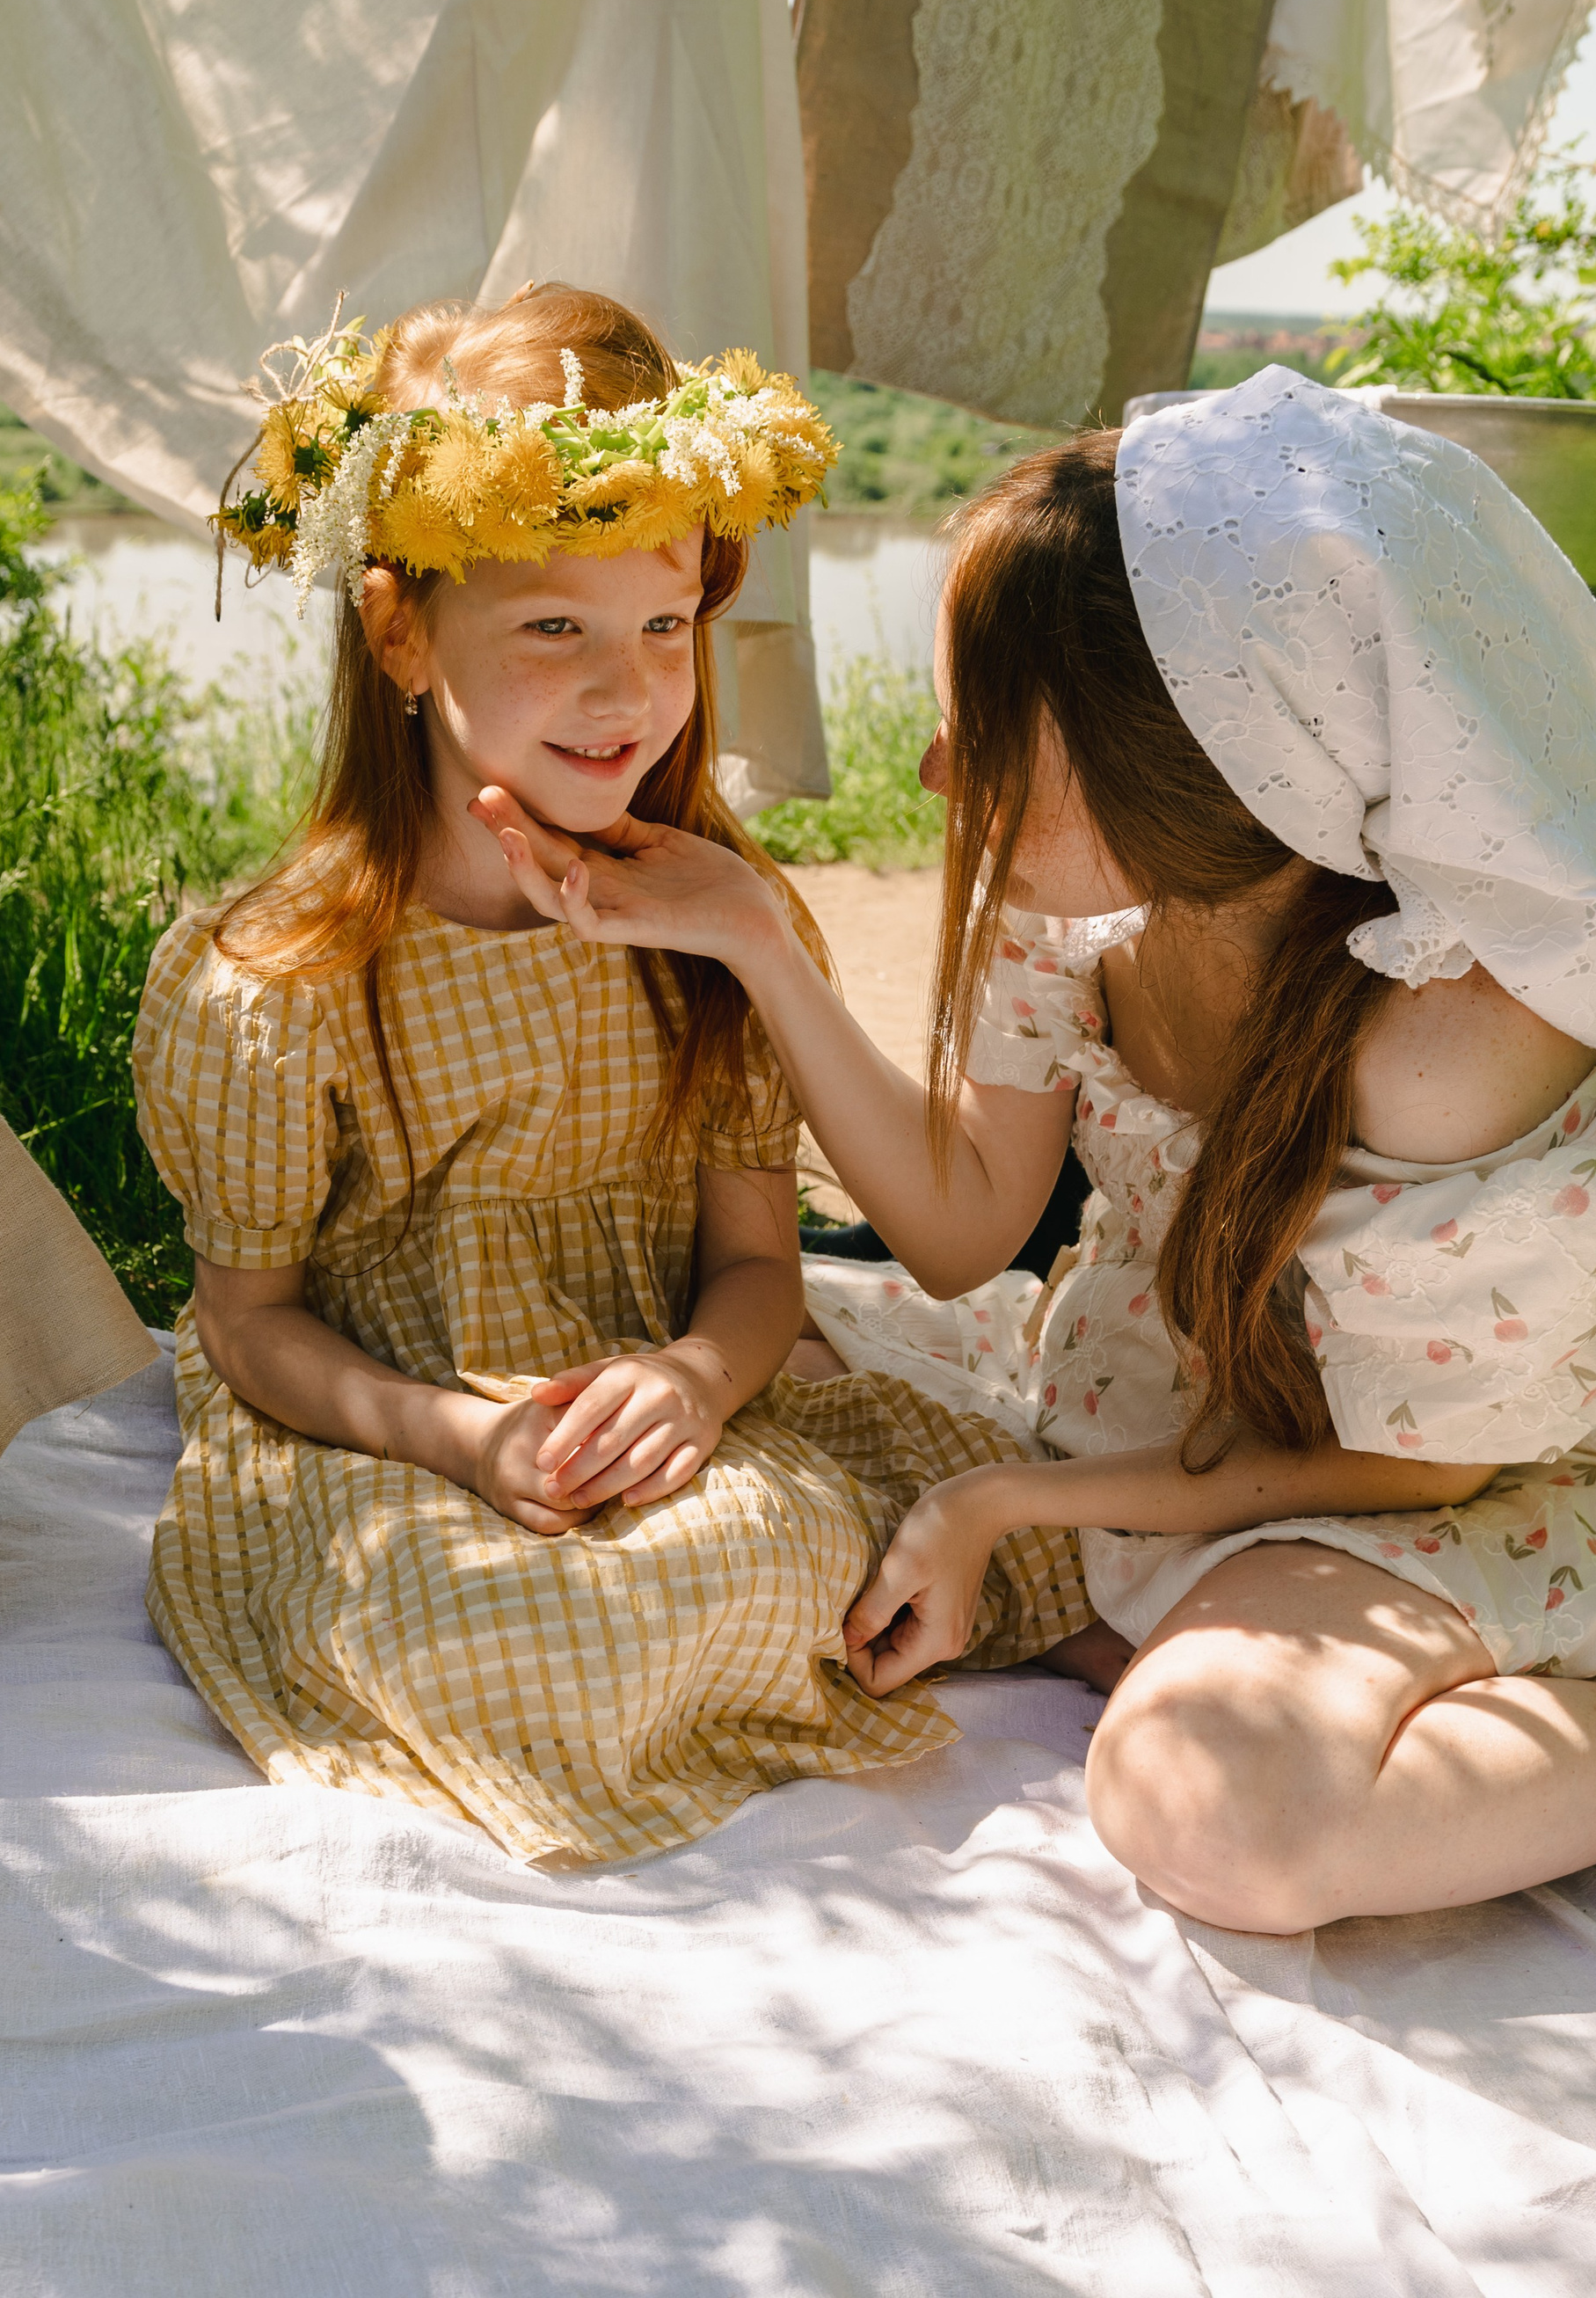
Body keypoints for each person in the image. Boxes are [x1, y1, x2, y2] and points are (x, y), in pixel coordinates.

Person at [477, 368, 1596, 1928]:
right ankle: (1136, 1610)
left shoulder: (1445, 1041)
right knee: (693, 1407)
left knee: (1211, 1800)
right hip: (1177, 1416)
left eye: (982, 734)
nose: (935, 773)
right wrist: (756, 942)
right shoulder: (1081, 916)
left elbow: (1428, 1455)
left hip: (1451, 1480)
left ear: (1185, 754)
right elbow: (962, 1232)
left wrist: (999, 1508)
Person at [132, 284, 1097, 1868]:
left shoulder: (712, 925)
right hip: (390, 1424)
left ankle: (711, 1633)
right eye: (552, 628)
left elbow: (756, 1269)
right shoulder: (277, 983)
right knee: (474, 1623)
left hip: (656, 1404)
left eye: (664, 626)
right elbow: (249, 1324)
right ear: (399, 631)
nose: (627, 691)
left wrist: (699, 1381)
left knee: (782, 1539)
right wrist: (461, 1441)